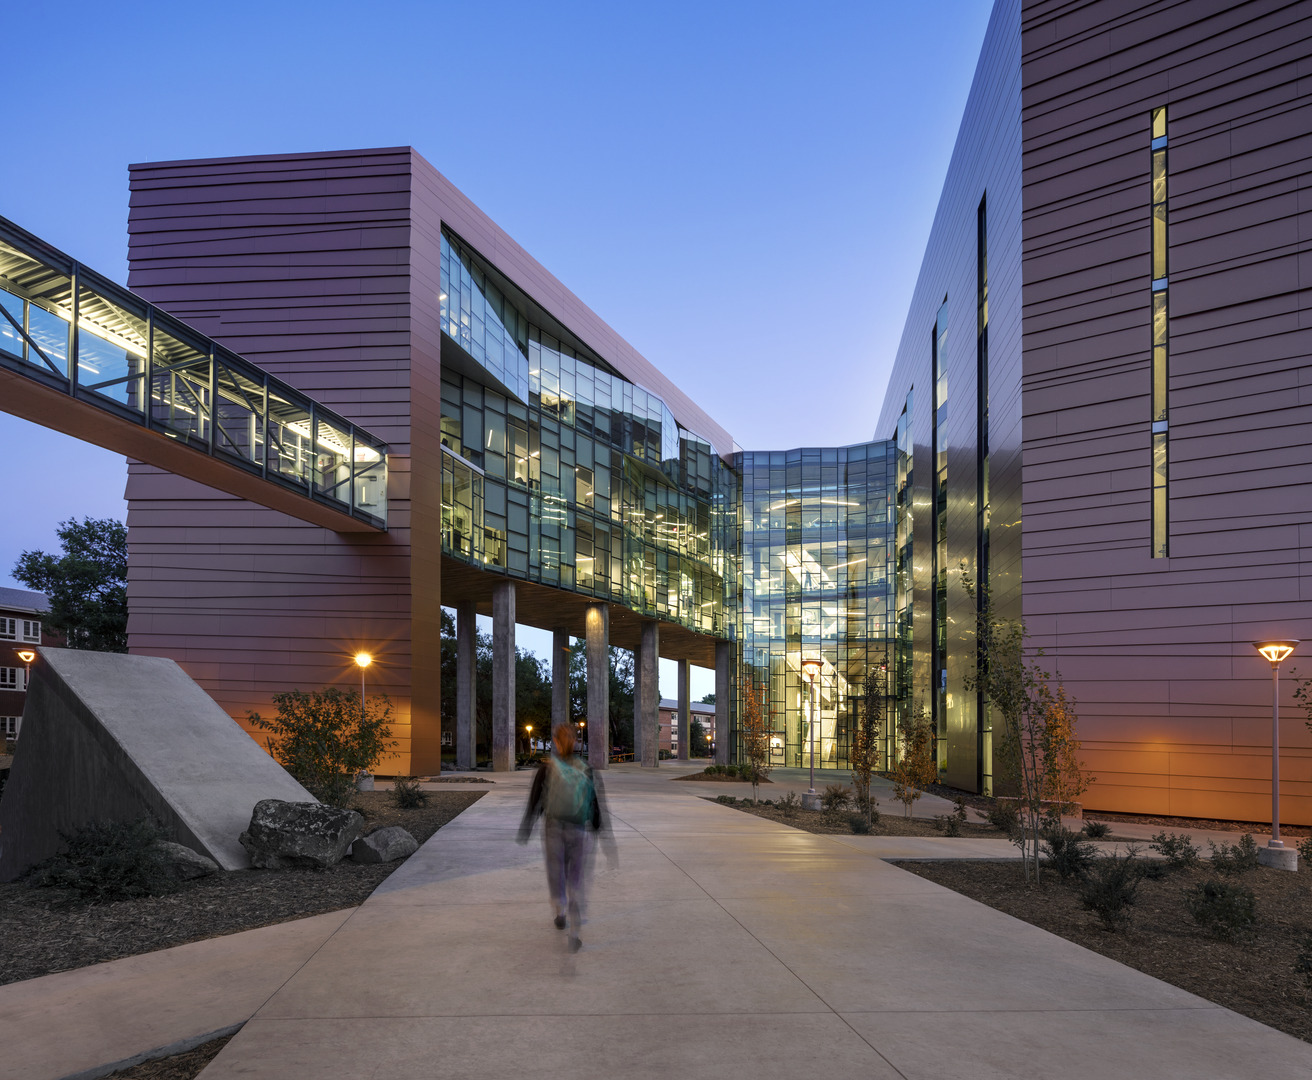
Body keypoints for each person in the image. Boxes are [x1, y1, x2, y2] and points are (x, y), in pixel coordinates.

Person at [518, 721, 607, 952]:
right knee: (576, 879)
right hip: (579, 830)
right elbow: (596, 804)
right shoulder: (586, 768)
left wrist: (527, 825)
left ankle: (560, 912)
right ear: (576, 741)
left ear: (556, 742)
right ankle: (575, 933)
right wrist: (599, 830)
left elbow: (535, 800)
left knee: (556, 874)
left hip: (554, 828)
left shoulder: (546, 769)